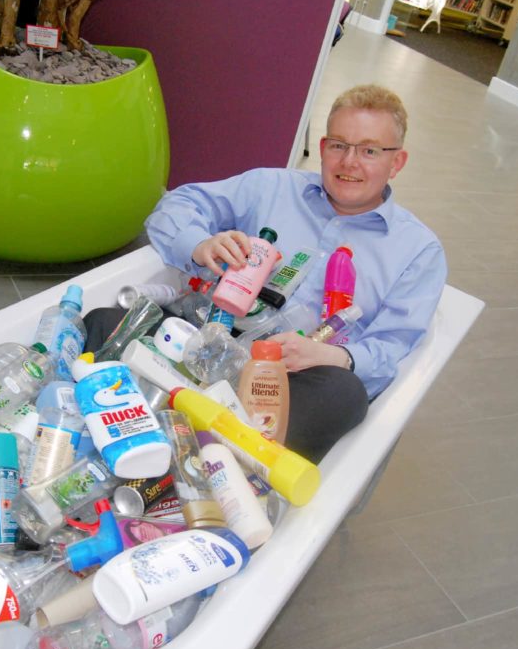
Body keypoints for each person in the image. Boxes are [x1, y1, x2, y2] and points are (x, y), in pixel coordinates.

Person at [85, 84, 446, 462]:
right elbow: (176, 205)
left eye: (370, 150)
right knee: (103, 321)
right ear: (322, 149)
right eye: (339, 145)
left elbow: (391, 349)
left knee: (345, 394)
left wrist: (331, 355)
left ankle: (215, 464)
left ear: (397, 163)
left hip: (292, 381)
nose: (349, 162)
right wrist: (199, 244)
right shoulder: (270, 187)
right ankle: (142, 441)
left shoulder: (418, 252)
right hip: (206, 339)